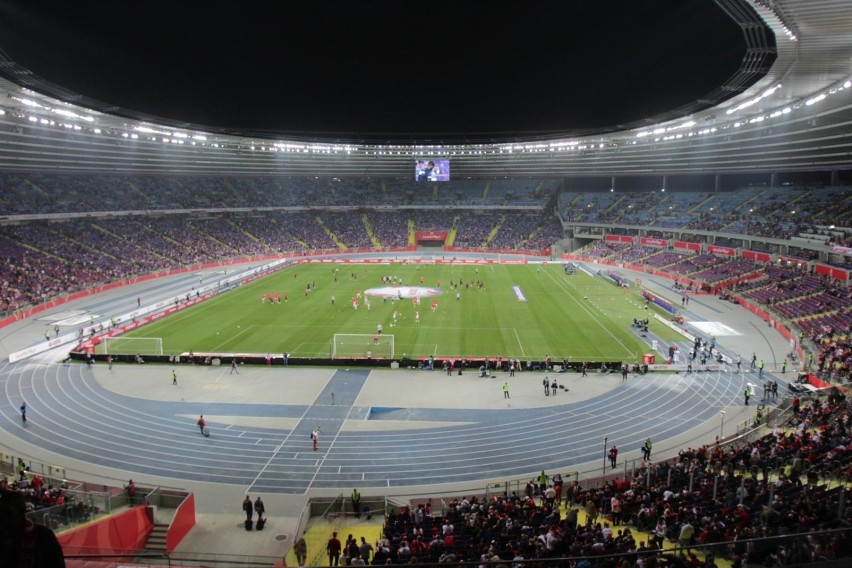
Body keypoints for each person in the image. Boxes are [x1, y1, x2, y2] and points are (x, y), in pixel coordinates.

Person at [0, 490, 66, 567]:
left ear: (22, 511)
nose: (4, 518)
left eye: (8, 513)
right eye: (2, 512)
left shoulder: (43, 535)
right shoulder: (44, 534)